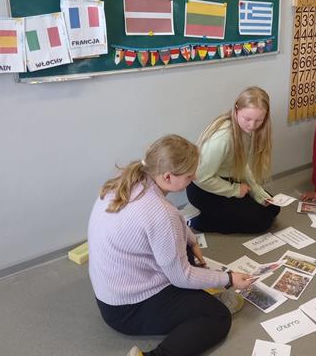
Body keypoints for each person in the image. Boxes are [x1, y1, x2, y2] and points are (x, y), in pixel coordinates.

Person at [88, 135, 254, 356]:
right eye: (189, 175)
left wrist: (190, 238)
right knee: (218, 316)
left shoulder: (127, 181)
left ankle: (197, 300)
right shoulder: (161, 214)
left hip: (111, 295)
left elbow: (165, 222)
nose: (194, 178)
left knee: (185, 251)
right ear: (168, 176)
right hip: (127, 310)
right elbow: (181, 277)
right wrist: (229, 278)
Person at [186, 86, 280, 233]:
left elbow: (241, 164)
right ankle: (203, 221)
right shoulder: (222, 138)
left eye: (259, 120)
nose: (252, 125)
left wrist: (257, 191)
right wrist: (235, 190)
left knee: (273, 207)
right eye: (247, 119)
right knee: (263, 221)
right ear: (236, 110)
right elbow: (200, 177)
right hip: (203, 190)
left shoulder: (243, 129)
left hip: (227, 180)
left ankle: (220, 213)